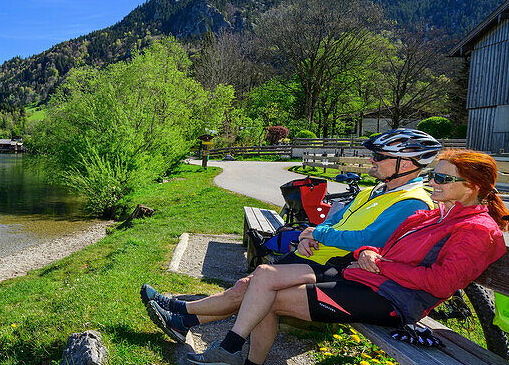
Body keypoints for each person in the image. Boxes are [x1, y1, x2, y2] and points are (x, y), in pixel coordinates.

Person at [185, 150, 508, 365]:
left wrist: (380, 265)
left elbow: (442, 283)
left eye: (442, 179)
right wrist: (365, 255)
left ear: (473, 187)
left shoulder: (476, 230)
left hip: (392, 300)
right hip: (365, 281)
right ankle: (236, 358)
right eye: (434, 176)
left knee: (267, 295)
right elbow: (378, 248)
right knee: (265, 277)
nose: (433, 182)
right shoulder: (433, 216)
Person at [142, 128, 442, 343]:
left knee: (251, 286)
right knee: (250, 284)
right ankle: (182, 317)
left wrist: (318, 233)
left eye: (380, 156)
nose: (372, 161)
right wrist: (312, 234)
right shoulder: (378, 189)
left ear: (407, 163)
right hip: (316, 252)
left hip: (333, 265)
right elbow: (338, 217)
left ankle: (181, 312)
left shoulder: (411, 202)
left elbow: (367, 240)